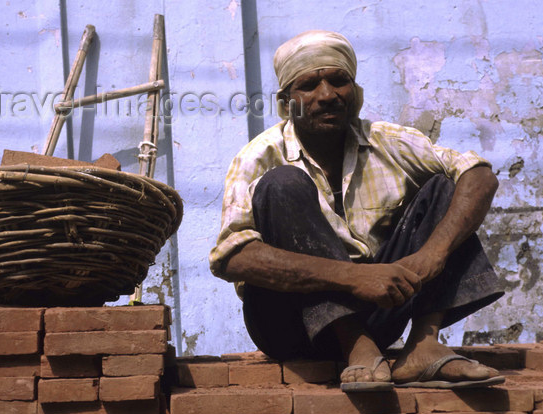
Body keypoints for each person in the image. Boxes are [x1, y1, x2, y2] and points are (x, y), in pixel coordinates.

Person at [209, 30, 505, 391]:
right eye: (308, 85)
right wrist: (354, 278)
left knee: (446, 184)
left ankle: (423, 347)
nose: (327, 95)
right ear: (287, 102)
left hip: (380, 309)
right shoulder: (258, 156)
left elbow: (480, 176)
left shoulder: (389, 141)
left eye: (338, 81)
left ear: (354, 92)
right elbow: (232, 258)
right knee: (282, 185)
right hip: (288, 322)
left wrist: (431, 255)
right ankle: (355, 346)